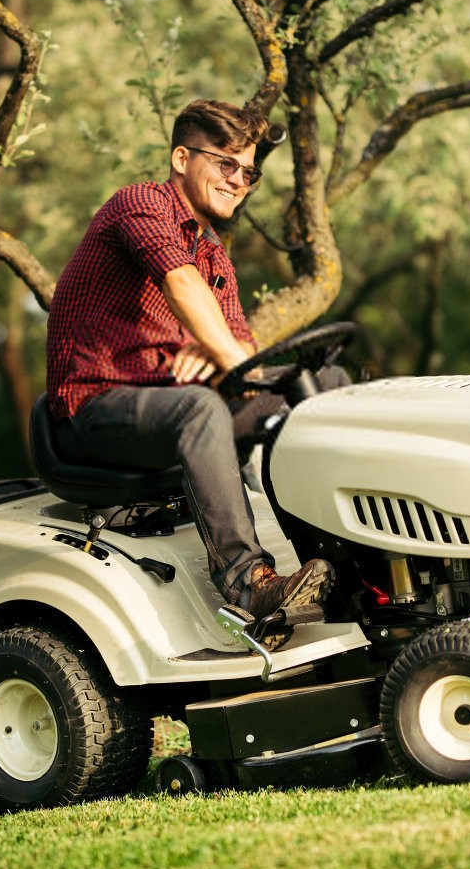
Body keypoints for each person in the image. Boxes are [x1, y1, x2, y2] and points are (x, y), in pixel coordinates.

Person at [44, 99, 340, 622]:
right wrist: (224, 356)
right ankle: (249, 582)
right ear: (182, 158)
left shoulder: (213, 254)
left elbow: (243, 352)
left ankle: (349, 563)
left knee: (320, 384)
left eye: (249, 172)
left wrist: (222, 353)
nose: (238, 181)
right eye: (226, 164)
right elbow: (178, 281)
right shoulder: (139, 204)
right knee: (201, 408)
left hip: (165, 402)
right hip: (92, 407)